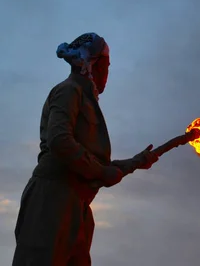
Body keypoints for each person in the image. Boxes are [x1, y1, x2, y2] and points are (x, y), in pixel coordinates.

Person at [12, 32, 160, 266]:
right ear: (94, 64)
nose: (107, 73)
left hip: (76, 204)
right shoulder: (69, 90)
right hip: (51, 200)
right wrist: (102, 173)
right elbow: (59, 141)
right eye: (107, 65)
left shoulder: (84, 97)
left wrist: (136, 162)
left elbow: (92, 163)